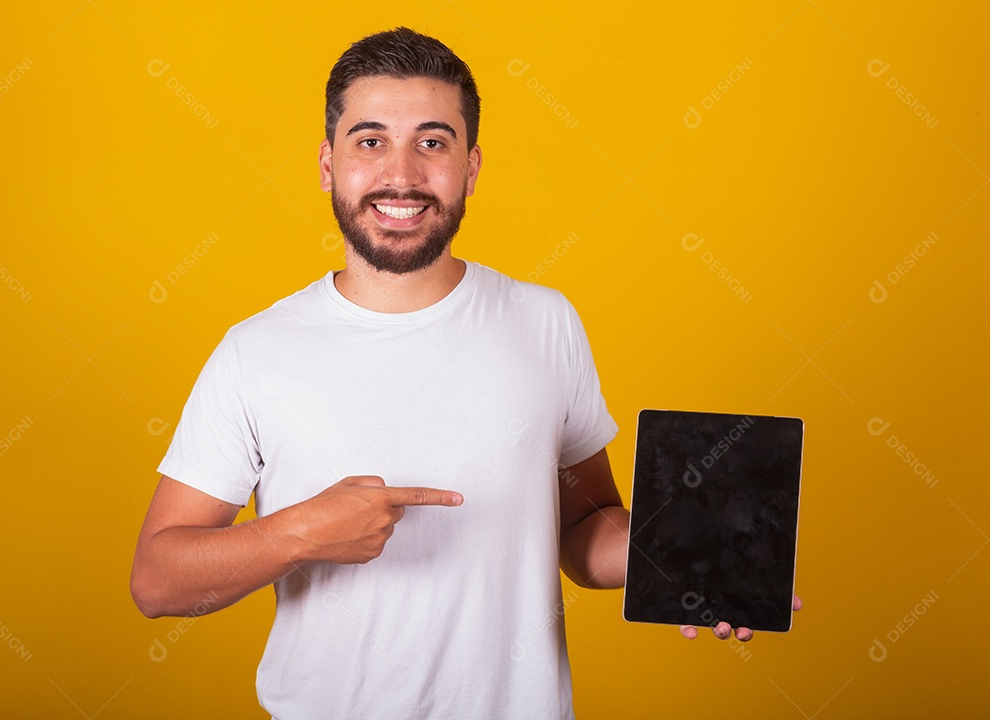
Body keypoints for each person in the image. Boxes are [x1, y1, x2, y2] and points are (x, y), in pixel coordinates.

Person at [131, 26, 792, 719]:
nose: (403, 175)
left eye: (433, 142)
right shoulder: (256, 350)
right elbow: (158, 582)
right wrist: (300, 533)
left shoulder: (546, 321)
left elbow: (584, 527)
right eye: (370, 140)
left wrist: (680, 558)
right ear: (329, 164)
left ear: (470, 167)